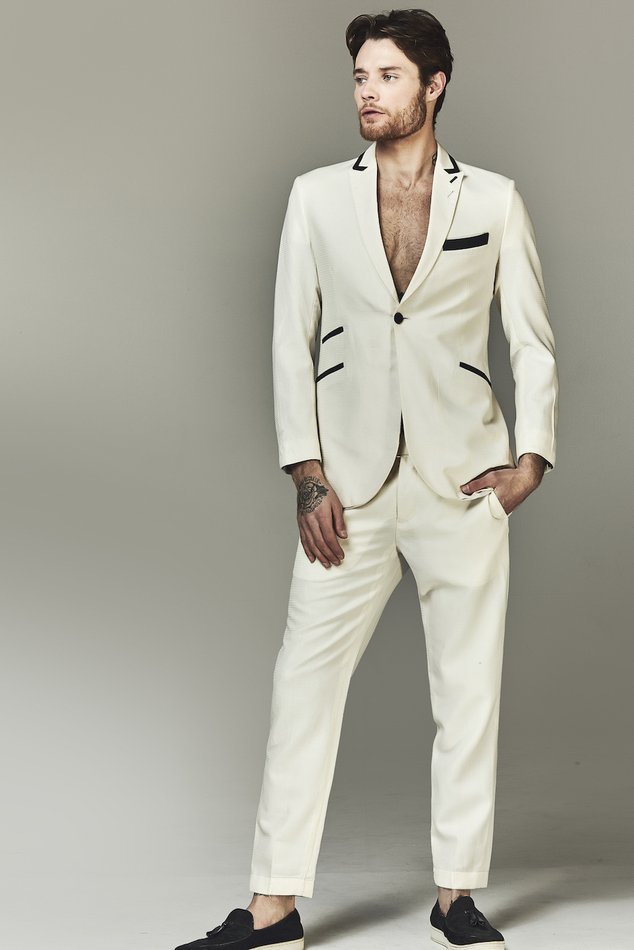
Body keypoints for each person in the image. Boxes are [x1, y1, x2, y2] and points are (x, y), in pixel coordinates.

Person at [175, 9, 558, 950]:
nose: (368, 93)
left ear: (434, 85)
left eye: (388, 76)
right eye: (360, 77)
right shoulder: (314, 198)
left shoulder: (495, 200)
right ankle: (273, 906)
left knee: (468, 694)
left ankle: (456, 896)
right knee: (302, 685)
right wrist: (307, 477)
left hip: (463, 481)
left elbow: (532, 340)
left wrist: (531, 461)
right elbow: (289, 342)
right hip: (347, 485)